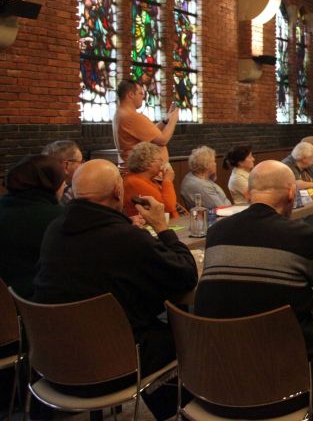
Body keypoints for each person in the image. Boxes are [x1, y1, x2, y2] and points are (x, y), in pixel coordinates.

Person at [193, 161, 313, 420]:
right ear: (292, 193)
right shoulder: (301, 236)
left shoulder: (216, 233)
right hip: (282, 387)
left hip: (214, 384)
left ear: (248, 194)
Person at [32, 159, 197, 420]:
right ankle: (183, 413)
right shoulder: (126, 238)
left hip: (54, 362)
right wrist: (162, 227)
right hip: (111, 367)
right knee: (185, 333)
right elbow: (185, 275)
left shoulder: (54, 231)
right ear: (118, 192)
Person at [0, 155, 65, 298]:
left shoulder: (4, 207)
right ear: (51, 184)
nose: (65, 185)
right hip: (36, 301)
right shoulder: (59, 219)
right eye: (62, 181)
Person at [112, 79, 178, 172]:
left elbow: (151, 134)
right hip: (142, 172)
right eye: (140, 93)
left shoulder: (121, 113)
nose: (143, 97)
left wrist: (165, 121)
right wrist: (173, 121)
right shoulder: (132, 116)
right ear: (131, 95)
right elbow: (162, 140)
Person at [282, 142, 313, 240]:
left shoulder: (307, 164)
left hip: (304, 198)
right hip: (288, 203)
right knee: (312, 212)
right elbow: (298, 185)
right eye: (312, 157)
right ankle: (310, 242)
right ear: (304, 158)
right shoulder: (287, 164)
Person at [122, 142, 179, 218]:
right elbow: (168, 207)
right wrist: (167, 181)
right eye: (160, 160)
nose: (162, 163)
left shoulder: (149, 180)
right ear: (147, 163)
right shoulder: (133, 182)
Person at [41, 140, 83, 205]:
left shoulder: (37, 187)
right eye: (80, 162)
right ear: (66, 165)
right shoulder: (71, 195)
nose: (82, 165)